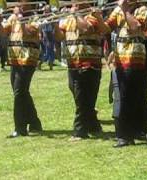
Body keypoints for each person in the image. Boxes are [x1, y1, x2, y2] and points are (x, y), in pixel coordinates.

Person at [105, 0, 147, 147]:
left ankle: (125, 136)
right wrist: (96, 17)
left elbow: (136, 27)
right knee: (129, 97)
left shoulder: (143, 10)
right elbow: (106, 28)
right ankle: (137, 131)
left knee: (127, 98)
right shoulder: (117, 10)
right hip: (120, 60)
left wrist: (126, 10)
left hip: (135, 59)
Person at [58, 1, 108, 141]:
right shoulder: (68, 19)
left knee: (82, 97)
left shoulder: (93, 16)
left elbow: (86, 29)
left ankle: (80, 131)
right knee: (82, 96)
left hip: (89, 63)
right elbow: (59, 36)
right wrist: (56, 23)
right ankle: (94, 125)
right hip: (73, 63)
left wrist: (76, 14)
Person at [2, 4, 43, 138]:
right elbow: (3, 32)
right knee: (21, 92)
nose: (17, 4)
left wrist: (20, 18)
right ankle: (35, 123)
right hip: (14, 59)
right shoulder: (13, 17)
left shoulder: (35, 17)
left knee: (19, 92)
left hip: (28, 59)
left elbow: (28, 32)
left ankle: (20, 129)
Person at [38, 5, 55, 70]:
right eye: (46, 9)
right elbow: (40, 27)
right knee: (46, 51)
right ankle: (39, 63)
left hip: (51, 34)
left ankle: (51, 66)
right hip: (45, 34)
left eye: (49, 9)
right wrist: (40, 34)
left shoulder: (52, 16)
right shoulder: (42, 17)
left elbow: (54, 25)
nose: (47, 10)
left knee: (51, 50)